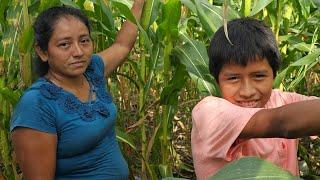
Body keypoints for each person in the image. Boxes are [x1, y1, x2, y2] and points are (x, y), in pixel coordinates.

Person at [10, 1, 144, 179]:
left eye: (84, 41)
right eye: (65, 45)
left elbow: (122, 45)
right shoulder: (36, 105)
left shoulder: (92, 70)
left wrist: (139, 3)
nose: (79, 52)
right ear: (42, 52)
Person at [191, 17, 320, 179]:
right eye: (233, 78)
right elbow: (282, 123)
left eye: (258, 76)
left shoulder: (281, 101)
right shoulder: (209, 113)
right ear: (217, 80)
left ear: (274, 75)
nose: (247, 91)